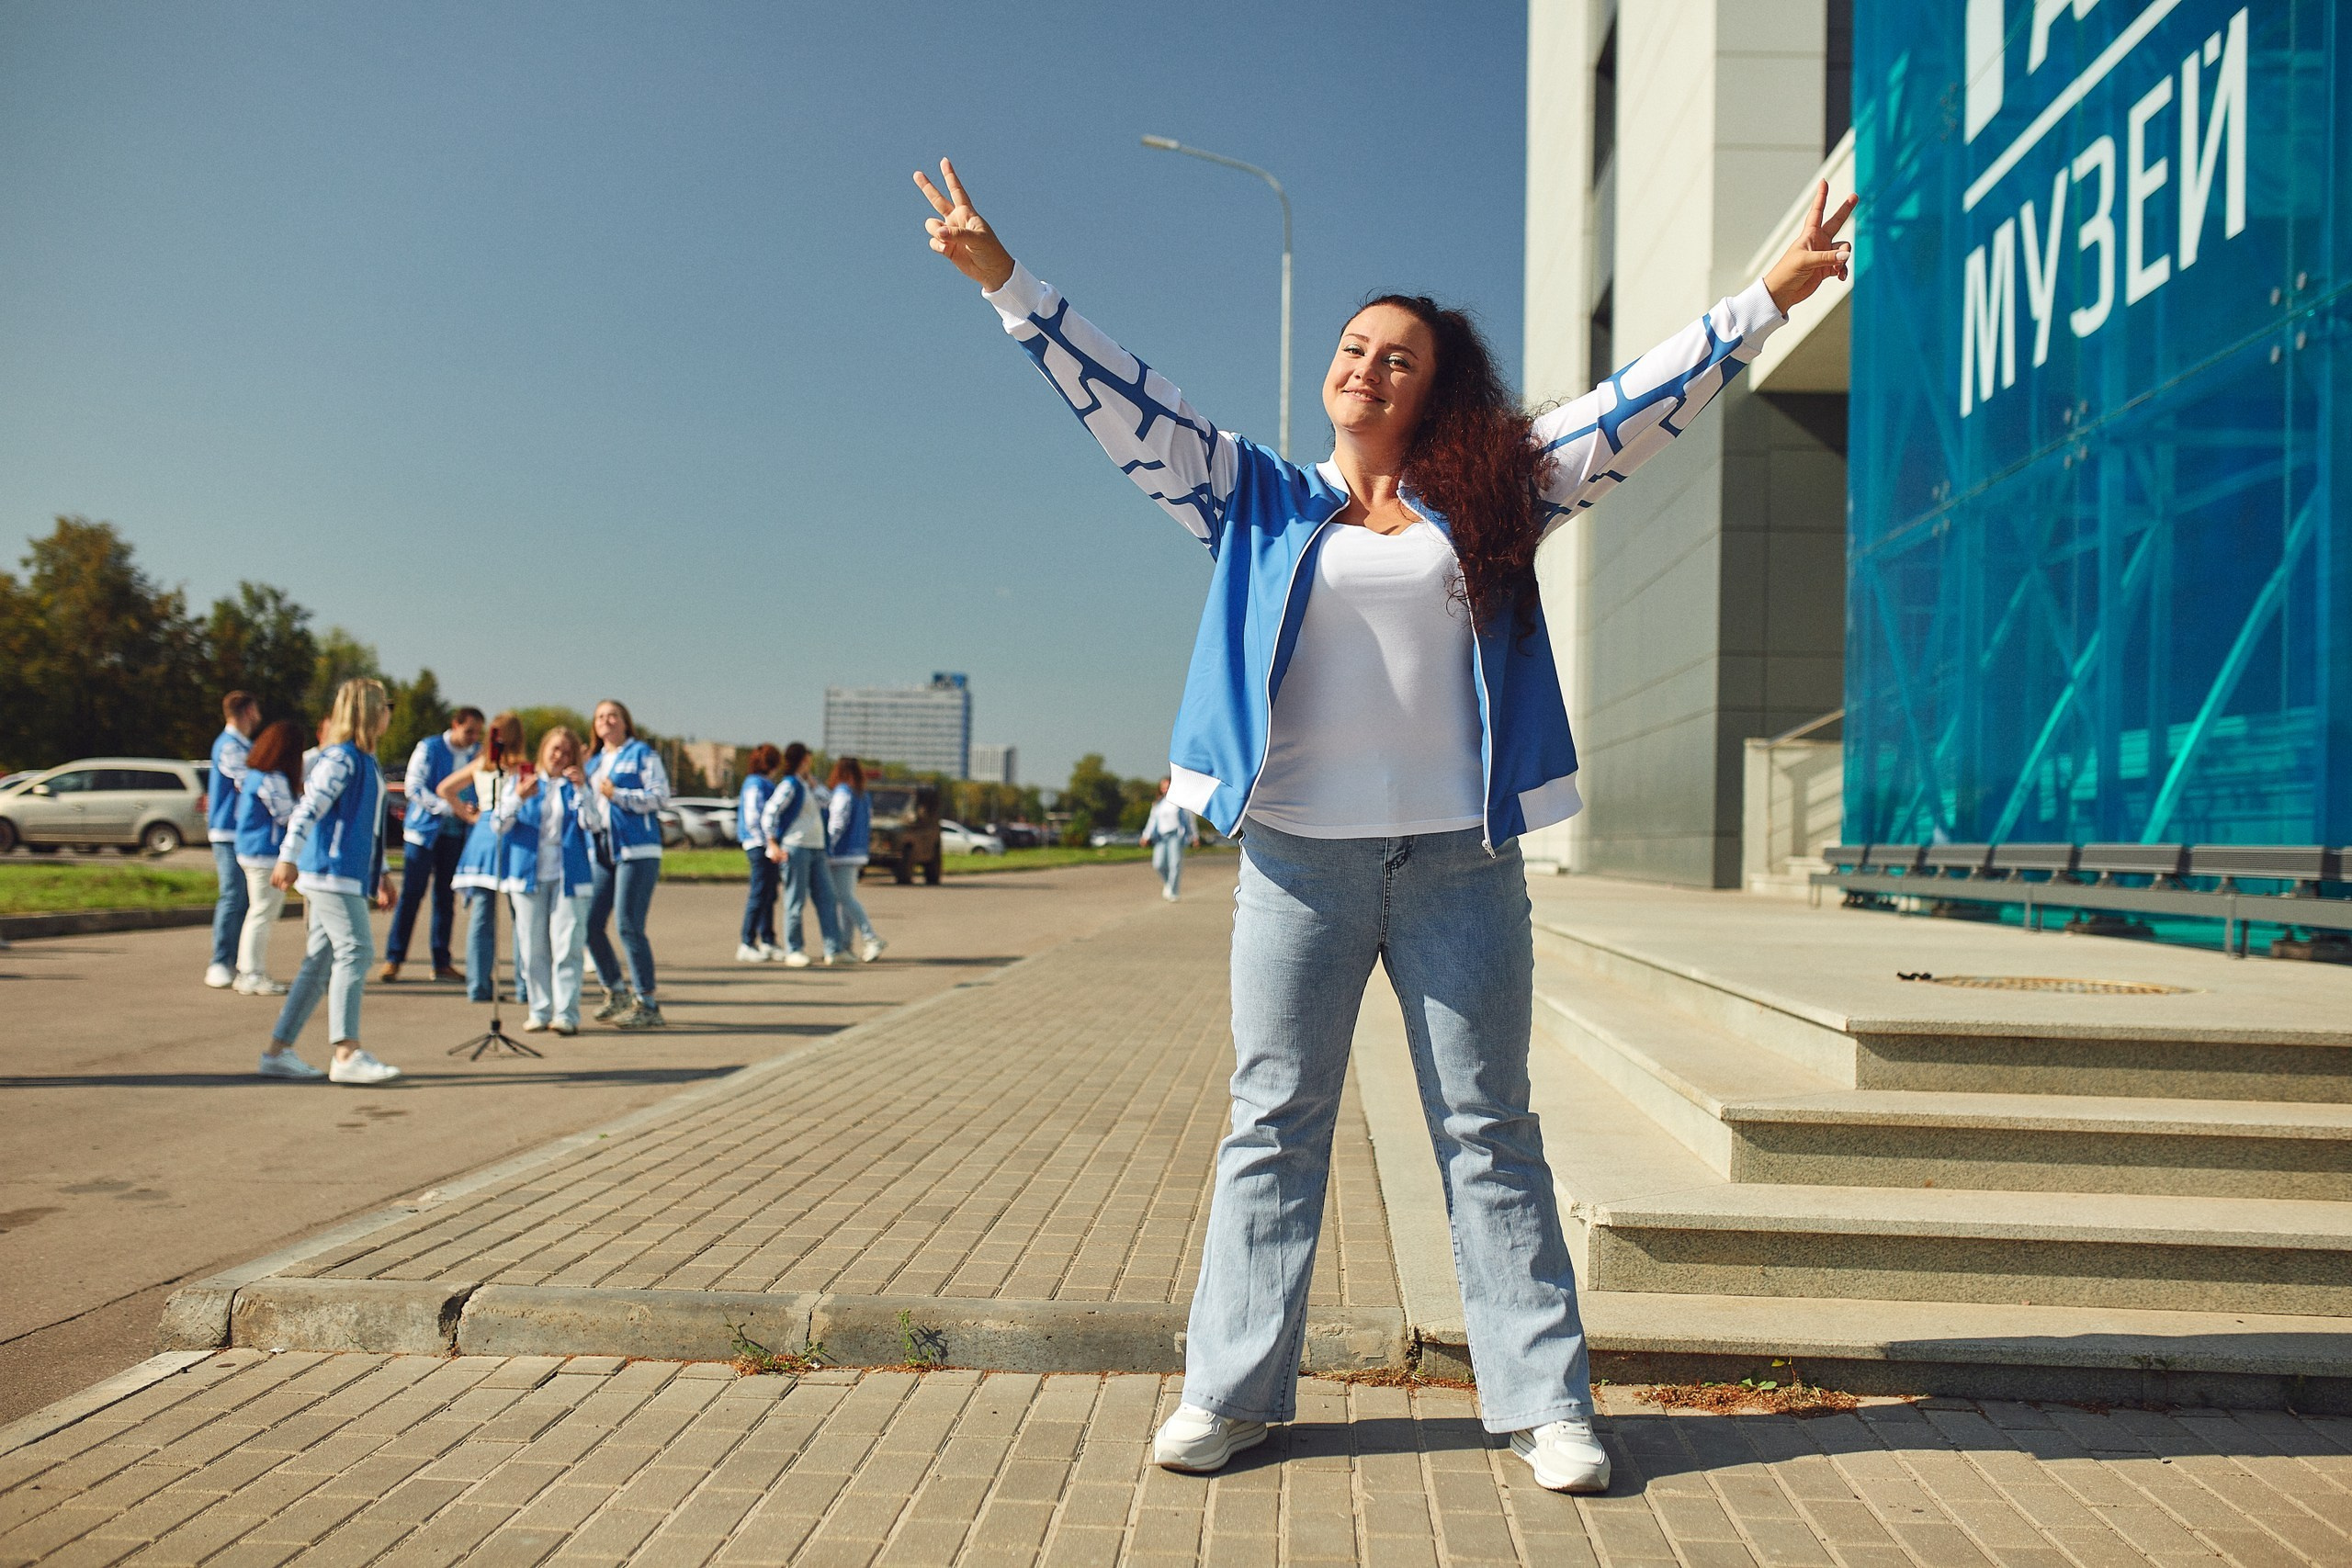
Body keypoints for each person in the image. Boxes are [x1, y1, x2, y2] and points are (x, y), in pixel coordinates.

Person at [913, 157, 1851, 1491]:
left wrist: (1763, 300)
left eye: (1397, 357)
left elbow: (1632, 406)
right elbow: (1126, 399)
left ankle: (1544, 1404)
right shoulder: (1249, 494)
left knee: (1489, 1129)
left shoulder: (1499, 495)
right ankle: (1231, 1393)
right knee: (1272, 1122)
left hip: (1462, 868)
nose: (1367, 366)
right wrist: (1009, 284)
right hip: (1298, 866)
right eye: (1354, 348)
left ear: (1433, 389)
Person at [263, 677, 402, 1085]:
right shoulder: (340, 758)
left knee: (319, 963)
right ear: (369, 711)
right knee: (356, 951)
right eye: (385, 705)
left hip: (348, 874)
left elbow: (368, 827)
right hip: (330, 872)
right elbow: (308, 809)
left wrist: (381, 873)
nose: (389, 713)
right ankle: (346, 1052)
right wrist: (288, 857)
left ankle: (277, 1052)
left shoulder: (366, 760)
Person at [494, 726, 605, 1034]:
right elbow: (498, 825)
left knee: (567, 945)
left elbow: (594, 824)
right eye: (555, 749)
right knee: (532, 947)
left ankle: (566, 1013)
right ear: (543, 750)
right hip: (527, 875)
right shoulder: (521, 782)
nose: (560, 756)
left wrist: (582, 791)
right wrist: (518, 797)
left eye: (567, 752)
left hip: (569, 875)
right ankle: (539, 1010)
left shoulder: (578, 786)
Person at [379, 706, 484, 983]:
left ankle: (441, 962)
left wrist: (472, 808)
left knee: (445, 898)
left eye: (478, 733)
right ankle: (394, 958)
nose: (473, 737)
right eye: (469, 731)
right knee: (412, 895)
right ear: (455, 725)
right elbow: (414, 787)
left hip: (455, 835)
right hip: (423, 834)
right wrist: (448, 806)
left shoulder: (477, 753)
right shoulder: (429, 747)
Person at [584, 699, 668, 1028]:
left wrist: (619, 795)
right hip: (603, 848)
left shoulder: (642, 754)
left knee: (628, 924)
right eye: (600, 717)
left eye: (612, 716)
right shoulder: (593, 762)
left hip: (637, 849)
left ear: (625, 722)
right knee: (590, 924)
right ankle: (615, 991)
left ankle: (647, 1002)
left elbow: (660, 796)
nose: (606, 721)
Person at [445, 711, 527, 1005]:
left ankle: (478, 986)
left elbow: (445, 789)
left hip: (482, 835)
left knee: (482, 917)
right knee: (521, 916)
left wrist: (470, 815)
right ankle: (524, 986)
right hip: (512, 835)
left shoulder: (481, 764)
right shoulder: (521, 768)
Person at [230, 718, 309, 995]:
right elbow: (288, 816)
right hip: (264, 854)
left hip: (252, 851)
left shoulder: (256, 774)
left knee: (259, 912)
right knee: (262, 913)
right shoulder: (272, 779)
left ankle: (247, 972)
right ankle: (251, 974)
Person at [762, 742, 842, 966]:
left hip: (816, 848)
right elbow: (770, 812)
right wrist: (772, 842)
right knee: (795, 901)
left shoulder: (806, 785)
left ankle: (833, 949)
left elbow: (828, 801)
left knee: (827, 898)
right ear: (803, 759)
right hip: (796, 847)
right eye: (809, 759)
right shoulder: (789, 785)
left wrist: (813, 783)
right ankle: (794, 949)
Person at [203, 692, 262, 988]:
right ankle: (219, 961)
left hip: (242, 832)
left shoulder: (244, 745)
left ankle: (236, 962)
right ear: (248, 711)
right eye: (256, 709)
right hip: (227, 832)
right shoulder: (229, 746)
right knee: (232, 894)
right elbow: (250, 782)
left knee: (244, 898)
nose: (259, 716)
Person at [826, 756, 887, 963]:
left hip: (841, 853)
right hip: (857, 852)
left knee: (844, 898)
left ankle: (871, 938)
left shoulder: (842, 793)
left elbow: (837, 823)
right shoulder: (862, 795)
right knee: (846, 898)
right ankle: (846, 945)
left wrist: (827, 846)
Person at [735, 744, 784, 963]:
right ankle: (747, 942)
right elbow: (753, 817)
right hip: (759, 845)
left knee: (769, 894)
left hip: (765, 845)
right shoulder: (755, 784)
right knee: (759, 893)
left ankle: (767, 939)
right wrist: (767, 843)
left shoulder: (763, 783)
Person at [1139, 777, 1197, 902]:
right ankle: (1169, 884)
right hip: (1161, 837)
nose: (1165, 789)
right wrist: (1146, 835)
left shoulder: (1181, 802)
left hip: (1176, 836)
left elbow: (1190, 821)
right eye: (1163, 787)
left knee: (1174, 864)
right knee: (1158, 864)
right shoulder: (1158, 804)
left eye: (1168, 786)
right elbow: (1152, 821)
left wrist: (1194, 836)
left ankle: (1174, 891)